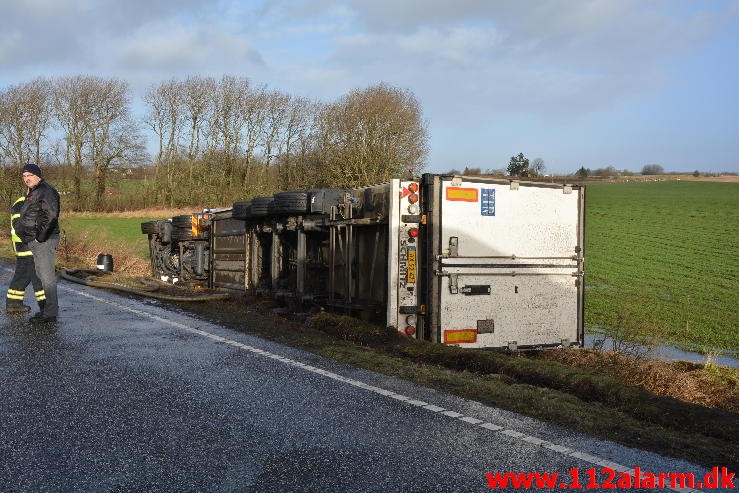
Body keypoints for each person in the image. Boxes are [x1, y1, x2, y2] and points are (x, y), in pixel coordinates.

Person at [16, 163, 60, 323]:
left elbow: (51, 215)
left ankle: (50, 313)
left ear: (38, 175)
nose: (26, 179)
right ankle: (47, 310)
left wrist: (40, 237)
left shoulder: (45, 191)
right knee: (42, 275)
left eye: (29, 176)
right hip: (35, 241)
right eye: (24, 176)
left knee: (47, 278)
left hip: (44, 240)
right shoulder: (35, 191)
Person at [5, 195, 46, 313]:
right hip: (24, 242)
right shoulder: (21, 203)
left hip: (28, 242)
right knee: (37, 271)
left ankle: (13, 303)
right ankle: (45, 305)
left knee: (24, 272)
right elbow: (19, 225)